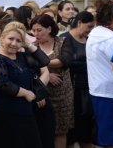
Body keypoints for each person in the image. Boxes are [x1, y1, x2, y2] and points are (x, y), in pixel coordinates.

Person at [0, 21, 50, 148]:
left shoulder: (21, 56)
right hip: (6, 114)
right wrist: (26, 93)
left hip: (26, 112)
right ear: (2, 38)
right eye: (10, 39)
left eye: (18, 41)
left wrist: (27, 44)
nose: (14, 43)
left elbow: (44, 61)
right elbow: (3, 84)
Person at [31, 14, 74, 148]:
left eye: (39, 30)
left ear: (49, 29)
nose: (36, 34)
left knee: (61, 131)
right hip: (42, 95)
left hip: (63, 95)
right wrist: (48, 75)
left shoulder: (62, 41)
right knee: (43, 130)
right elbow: (30, 68)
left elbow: (64, 61)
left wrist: (43, 64)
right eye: (33, 30)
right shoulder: (32, 46)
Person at [61, 11, 96, 148]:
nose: (91, 30)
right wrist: (89, 65)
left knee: (86, 132)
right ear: (79, 23)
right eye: (89, 26)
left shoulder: (90, 40)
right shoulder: (64, 39)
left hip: (88, 90)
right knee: (70, 133)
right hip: (71, 91)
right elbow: (66, 62)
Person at [86, 0, 113, 147]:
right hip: (111, 94)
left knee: (105, 137)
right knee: (111, 139)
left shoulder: (97, 33)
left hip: (101, 91)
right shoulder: (110, 39)